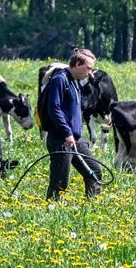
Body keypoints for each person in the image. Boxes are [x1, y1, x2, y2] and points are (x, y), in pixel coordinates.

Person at [45, 48, 102, 200]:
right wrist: (66, 132)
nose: (90, 72)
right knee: (60, 182)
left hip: (76, 139)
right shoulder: (60, 79)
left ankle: (92, 207)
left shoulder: (75, 82)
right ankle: (51, 210)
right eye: (88, 68)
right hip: (61, 140)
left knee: (94, 171)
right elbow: (54, 108)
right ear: (77, 64)